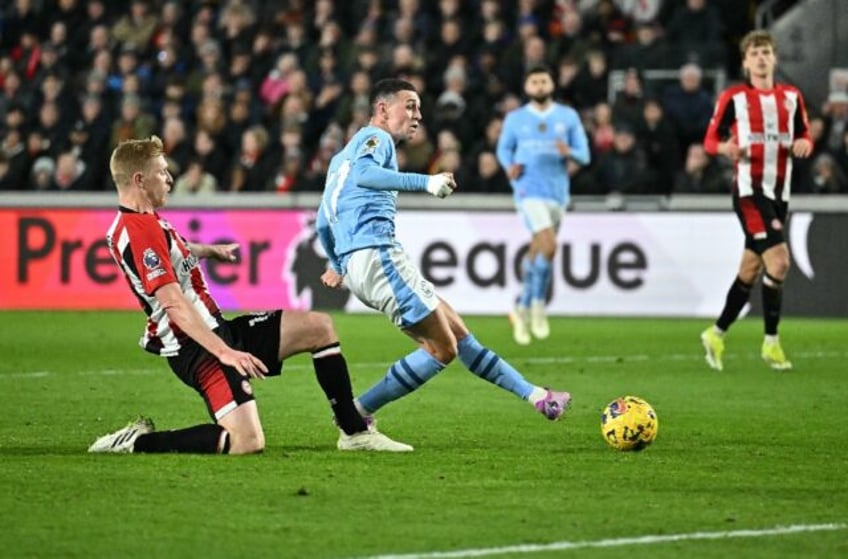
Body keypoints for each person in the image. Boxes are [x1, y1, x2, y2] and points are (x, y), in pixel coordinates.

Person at [89, 136, 411, 454]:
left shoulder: (144, 221)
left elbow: (175, 251)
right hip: (197, 348)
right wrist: (225, 353)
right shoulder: (139, 231)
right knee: (246, 442)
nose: (170, 179)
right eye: (162, 172)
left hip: (219, 330)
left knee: (319, 327)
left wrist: (209, 251)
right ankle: (137, 442)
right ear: (139, 180)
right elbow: (173, 302)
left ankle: (354, 432)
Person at [316, 79, 571, 439]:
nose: (418, 114)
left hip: (363, 263)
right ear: (382, 109)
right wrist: (427, 182)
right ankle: (354, 414)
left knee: (457, 333)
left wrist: (338, 263)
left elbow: (322, 220)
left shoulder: (340, 159)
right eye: (410, 105)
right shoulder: (377, 140)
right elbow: (365, 175)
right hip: (378, 256)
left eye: (419, 107)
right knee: (442, 349)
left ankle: (537, 397)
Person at [700, 30, 813, 371]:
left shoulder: (792, 97)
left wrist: (804, 143)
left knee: (750, 269)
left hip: (780, 192)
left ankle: (716, 333)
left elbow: (803, 133)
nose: (761, 58)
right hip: (750, 192)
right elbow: (710, 140)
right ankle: (771, 343)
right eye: (755, 53)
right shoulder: (734, 98)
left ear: (774, 58)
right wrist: (726, 148)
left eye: (766, 51)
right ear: (745, 61)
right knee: (778, 261)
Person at [495, 65, 591, 345]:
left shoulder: (567, 116)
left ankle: (521, 307)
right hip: (527, 189)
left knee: (540, 249)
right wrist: (508, 165)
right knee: (550, 245)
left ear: (551, 84)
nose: (539, 86)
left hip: (557, 192)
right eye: (534, 81)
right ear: (527, 87)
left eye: (543, 81)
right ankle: (538, 305)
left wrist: (569, 152)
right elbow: (503, 149)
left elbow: (584, 155)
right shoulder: (515, 118)